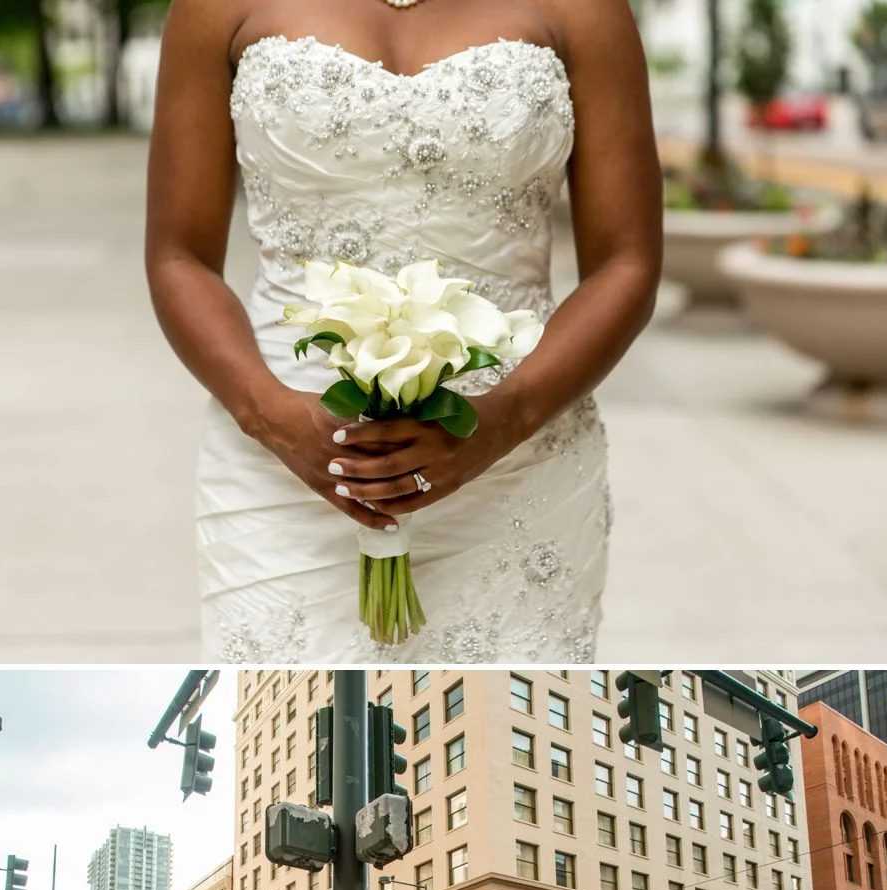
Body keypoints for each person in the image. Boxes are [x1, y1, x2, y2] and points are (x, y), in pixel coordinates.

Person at [145, 0, 662, 662]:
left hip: (519, 461)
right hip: (282, 459)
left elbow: (628, 263)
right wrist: (269, 415)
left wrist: (503, 419)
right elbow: (177, 257)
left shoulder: (587, 10)